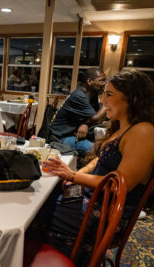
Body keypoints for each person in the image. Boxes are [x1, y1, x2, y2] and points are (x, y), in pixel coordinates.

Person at [27, 69, 154, 265]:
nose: (103, 101)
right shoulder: (123, 126)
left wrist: (72, 177)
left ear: (134, 99)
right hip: (93, 198)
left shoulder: (143, 131)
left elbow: (121, 185)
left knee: (33, 213)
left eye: (109, 95)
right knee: (44, 197)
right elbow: (99, 161)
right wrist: (75, 174)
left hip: (104, 215)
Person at [50, 68, 107, 155]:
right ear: (90, 81)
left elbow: (97, 116)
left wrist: (85, 124)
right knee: (99, 150)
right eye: (101, 81)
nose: (104, 83)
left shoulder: (93, 94)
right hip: (61, 137)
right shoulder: (79, 96)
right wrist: (108, 99)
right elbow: (97, 119)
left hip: (73, 133)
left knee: (104, 144)